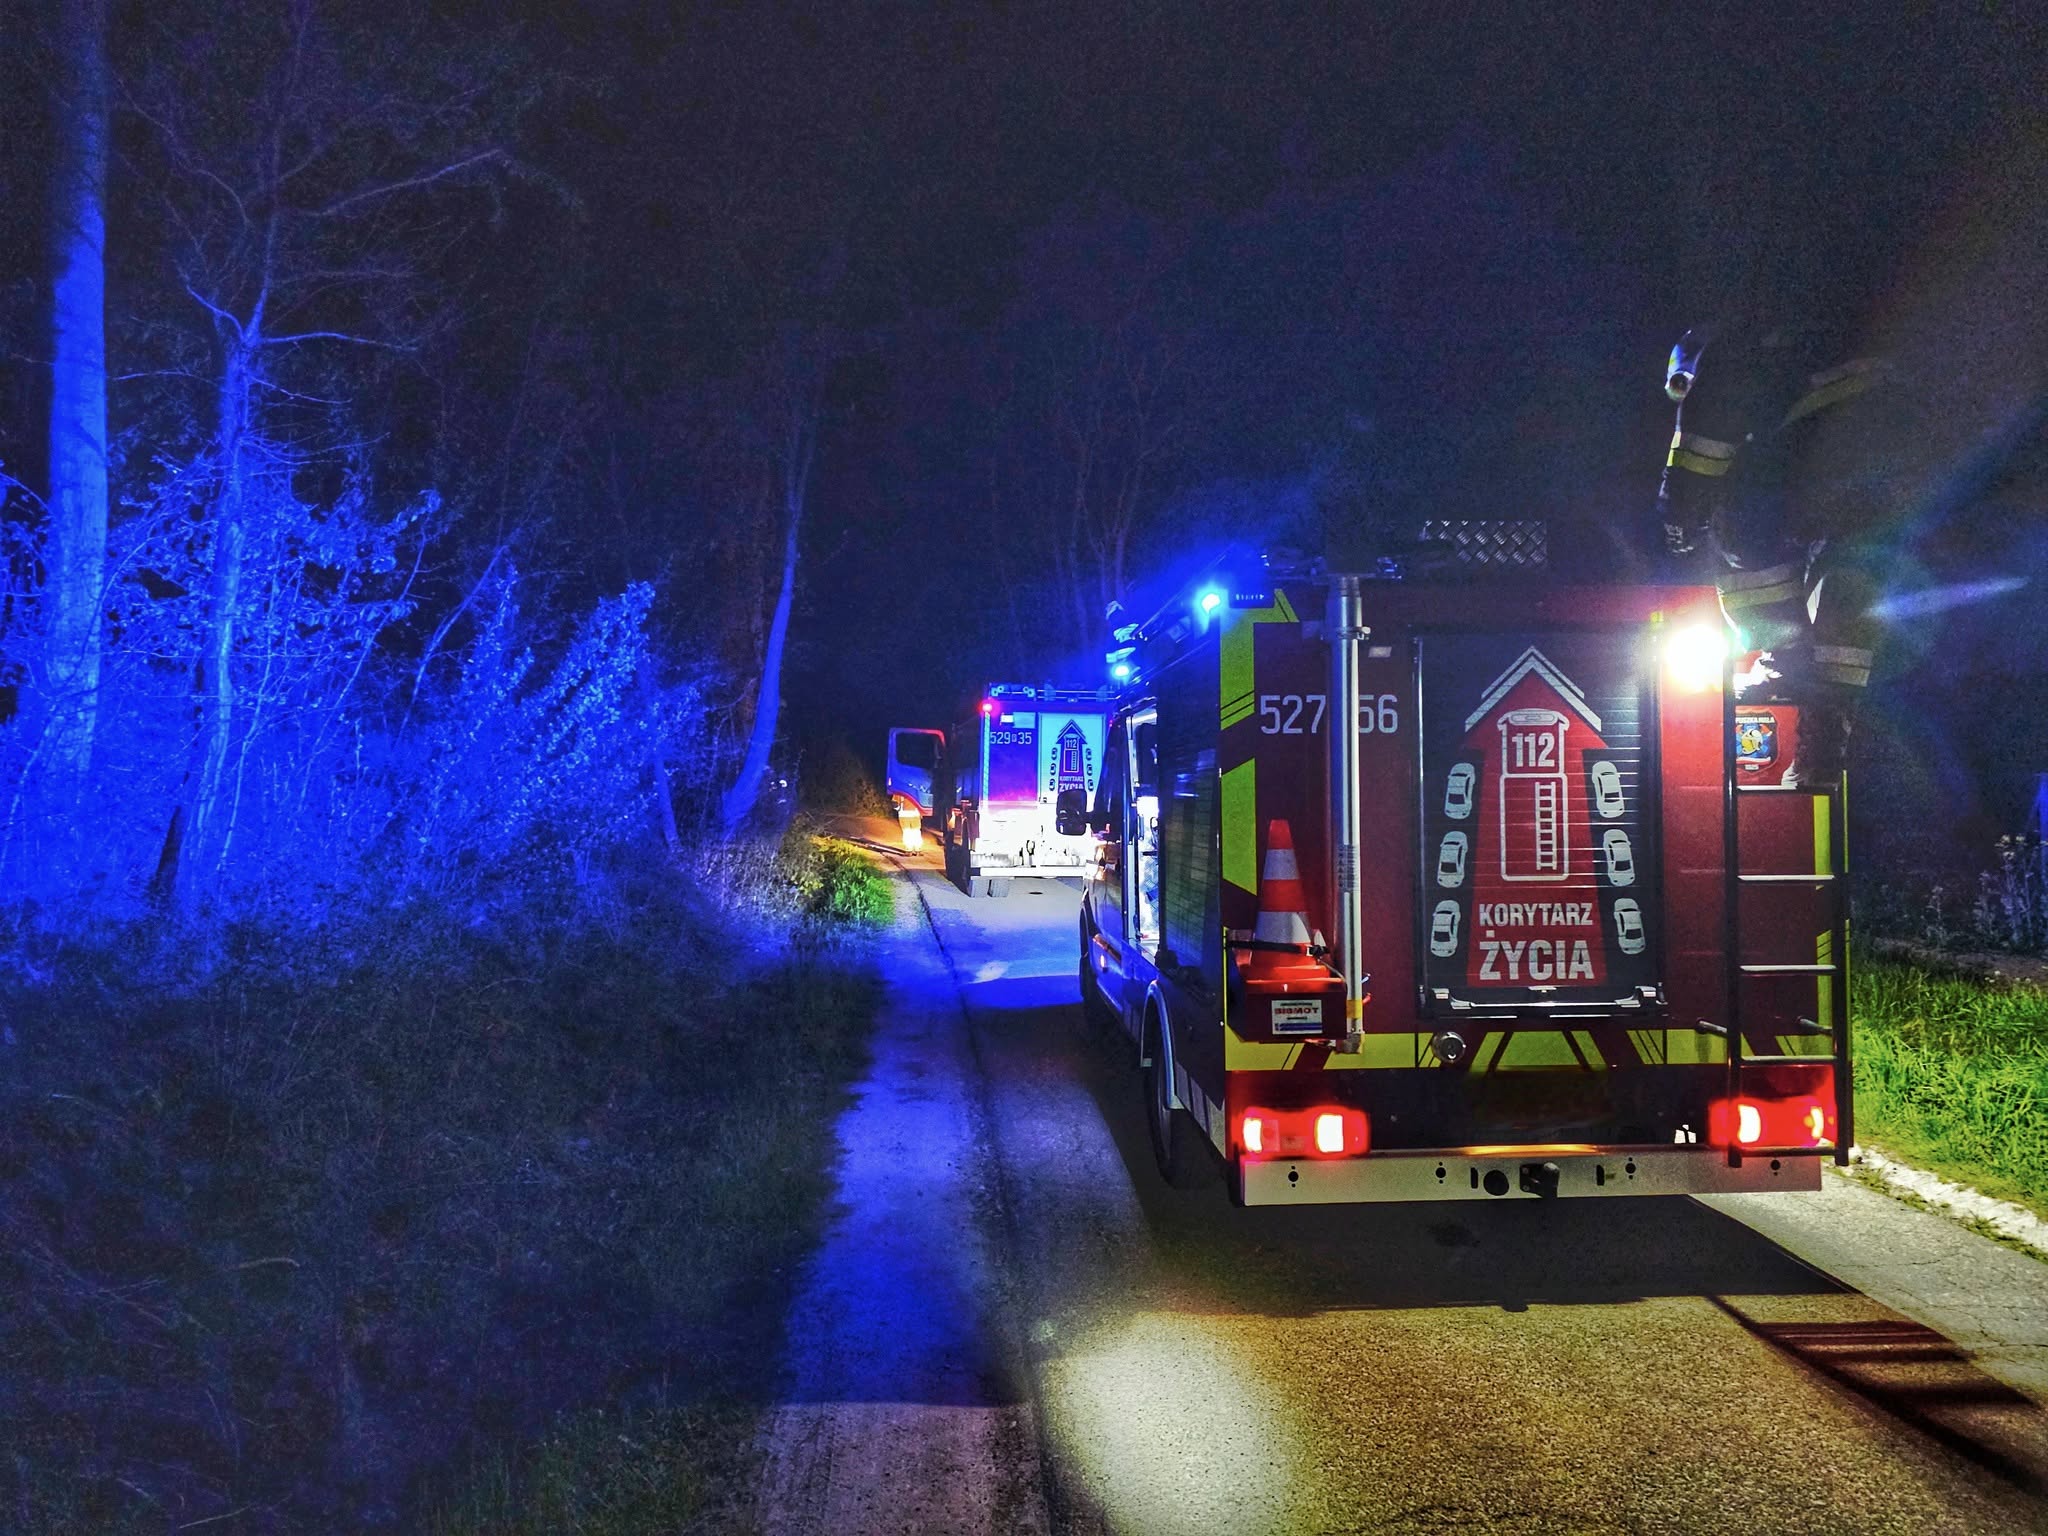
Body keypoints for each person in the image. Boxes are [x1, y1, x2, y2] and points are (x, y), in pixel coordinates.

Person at [1657, 316, 1888, 785]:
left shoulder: (1727, 364)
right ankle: (1828, 729)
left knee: (1736, 532)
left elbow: (1700, 455)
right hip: (1903, 463)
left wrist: (1678, 520)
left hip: (1840, 465)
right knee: (1848, 577)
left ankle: (1790, 665)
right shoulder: (1804, 358)